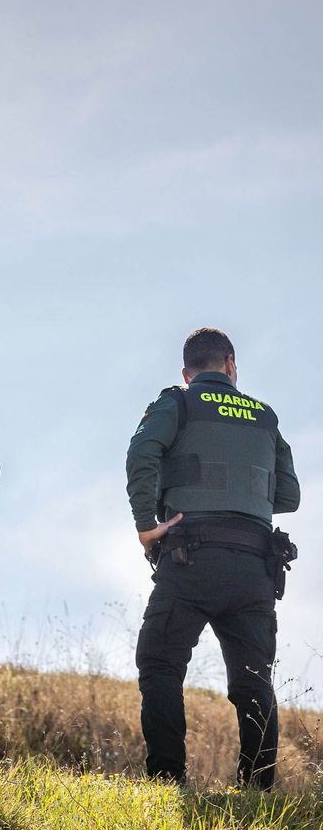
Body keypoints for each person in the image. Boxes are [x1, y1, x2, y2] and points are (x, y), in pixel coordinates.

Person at [129, 327, 300, 789]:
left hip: (190, 559)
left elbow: (142, 452)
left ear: (187, 372)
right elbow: (289, 494)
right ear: (231, 364)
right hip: (255, 566)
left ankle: (167, 781)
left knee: (161, 665)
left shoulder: (177, 402)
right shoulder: (264, 416)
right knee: (252, 680)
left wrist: (147, 523)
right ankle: (258, 789)